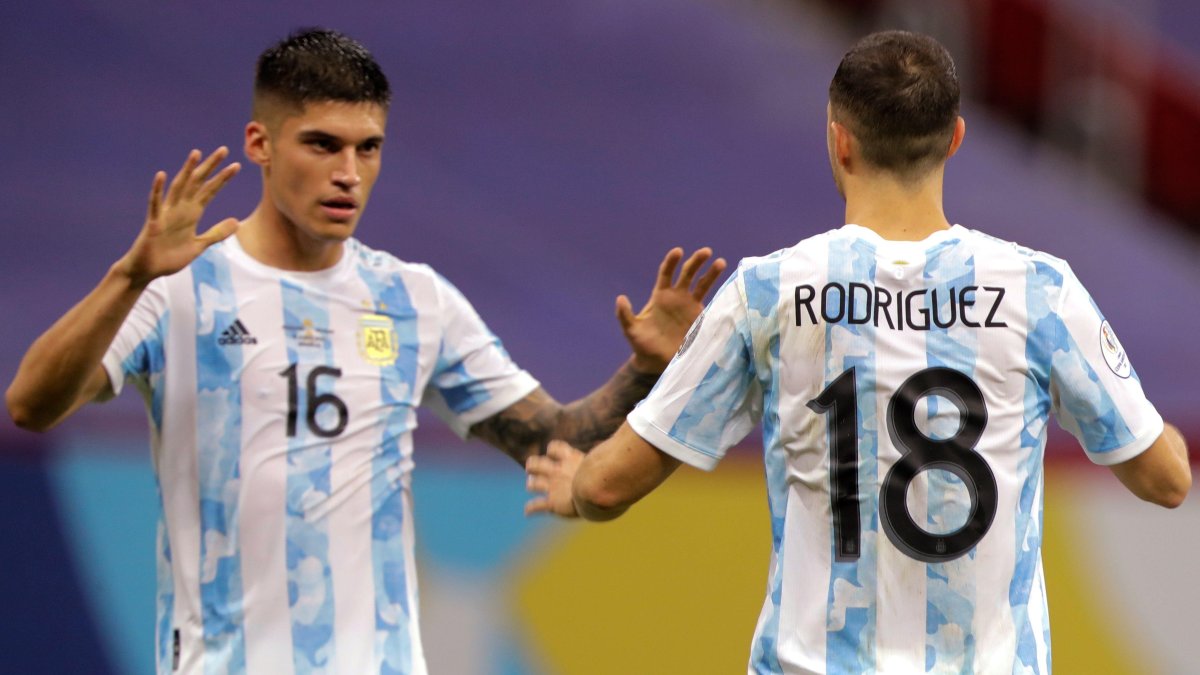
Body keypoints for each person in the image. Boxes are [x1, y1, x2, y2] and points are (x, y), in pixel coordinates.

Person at [4, 28, 725, 675]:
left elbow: (558, 439)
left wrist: (646, 371)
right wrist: (128, 276)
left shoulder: (413, 299)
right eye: (322, 144)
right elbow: (31, 404)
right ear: (260, 144)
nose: (348, 172)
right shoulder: (179, 286)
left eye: (368, 147)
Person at [524, 30, 1191, 674]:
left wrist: (579, 486)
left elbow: (609, 485)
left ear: (839, 141)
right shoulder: (1039, 290)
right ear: (955, 140)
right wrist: (1114, 401)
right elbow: (1167, 479)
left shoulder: (770, 290)